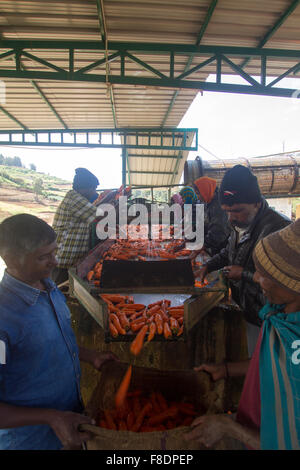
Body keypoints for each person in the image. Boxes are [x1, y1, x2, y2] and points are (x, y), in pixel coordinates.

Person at [0, 214, 118, 450]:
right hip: (30, 441)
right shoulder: (4, 319)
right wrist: (51, 417)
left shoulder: (49, 288)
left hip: (71, 425)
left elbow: (53, 341)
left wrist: (89, 356)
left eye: (55, 251)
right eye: (44, 257)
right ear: (11, 259)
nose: (55, 261)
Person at [186, 218, 300, 450]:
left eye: (266, 276)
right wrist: (226, 369)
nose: (257, 280)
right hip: (260, 423)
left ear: (292, 285)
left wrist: (229, 428)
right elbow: (273, 362)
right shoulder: (278, 315)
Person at [195, 165, 291, 356]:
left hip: (270, 318)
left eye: (237, 210)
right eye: (227, 211)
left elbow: (286, 286)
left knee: (265, 365)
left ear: (256, 203)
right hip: (248, 309)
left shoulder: (279, 230)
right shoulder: (241, 223)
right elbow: (228, 252)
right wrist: (208, 265)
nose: (231, 218)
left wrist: (244, 273)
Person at [52, 167, 100, 284]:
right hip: (63, 259)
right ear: (86, 188)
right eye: (93, 188)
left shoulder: (78, 199)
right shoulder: (74, 198)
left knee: (67, 290)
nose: (94, 192)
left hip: (71, 259)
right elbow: (100, 216)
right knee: (58, 288)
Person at [192, 176, 231, 256]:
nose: (198, 197)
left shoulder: (219, 205)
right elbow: (203, 223)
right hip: (214, 246)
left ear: (205, 190)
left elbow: (219, 232)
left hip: (224, 248)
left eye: (198, 193)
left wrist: (203, 246)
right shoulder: (207, 202)